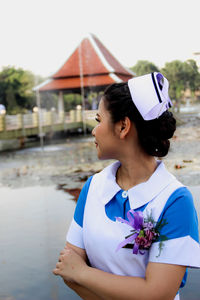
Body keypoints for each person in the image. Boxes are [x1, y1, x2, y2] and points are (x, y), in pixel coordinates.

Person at [53, 73, 200, 300]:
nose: (94, 130)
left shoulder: (175, 200)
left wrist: (83, 272)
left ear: (123, 126)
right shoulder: (92, 187)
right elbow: (67, 272)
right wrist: (77, 273)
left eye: (99, 120)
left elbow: (158, 294)